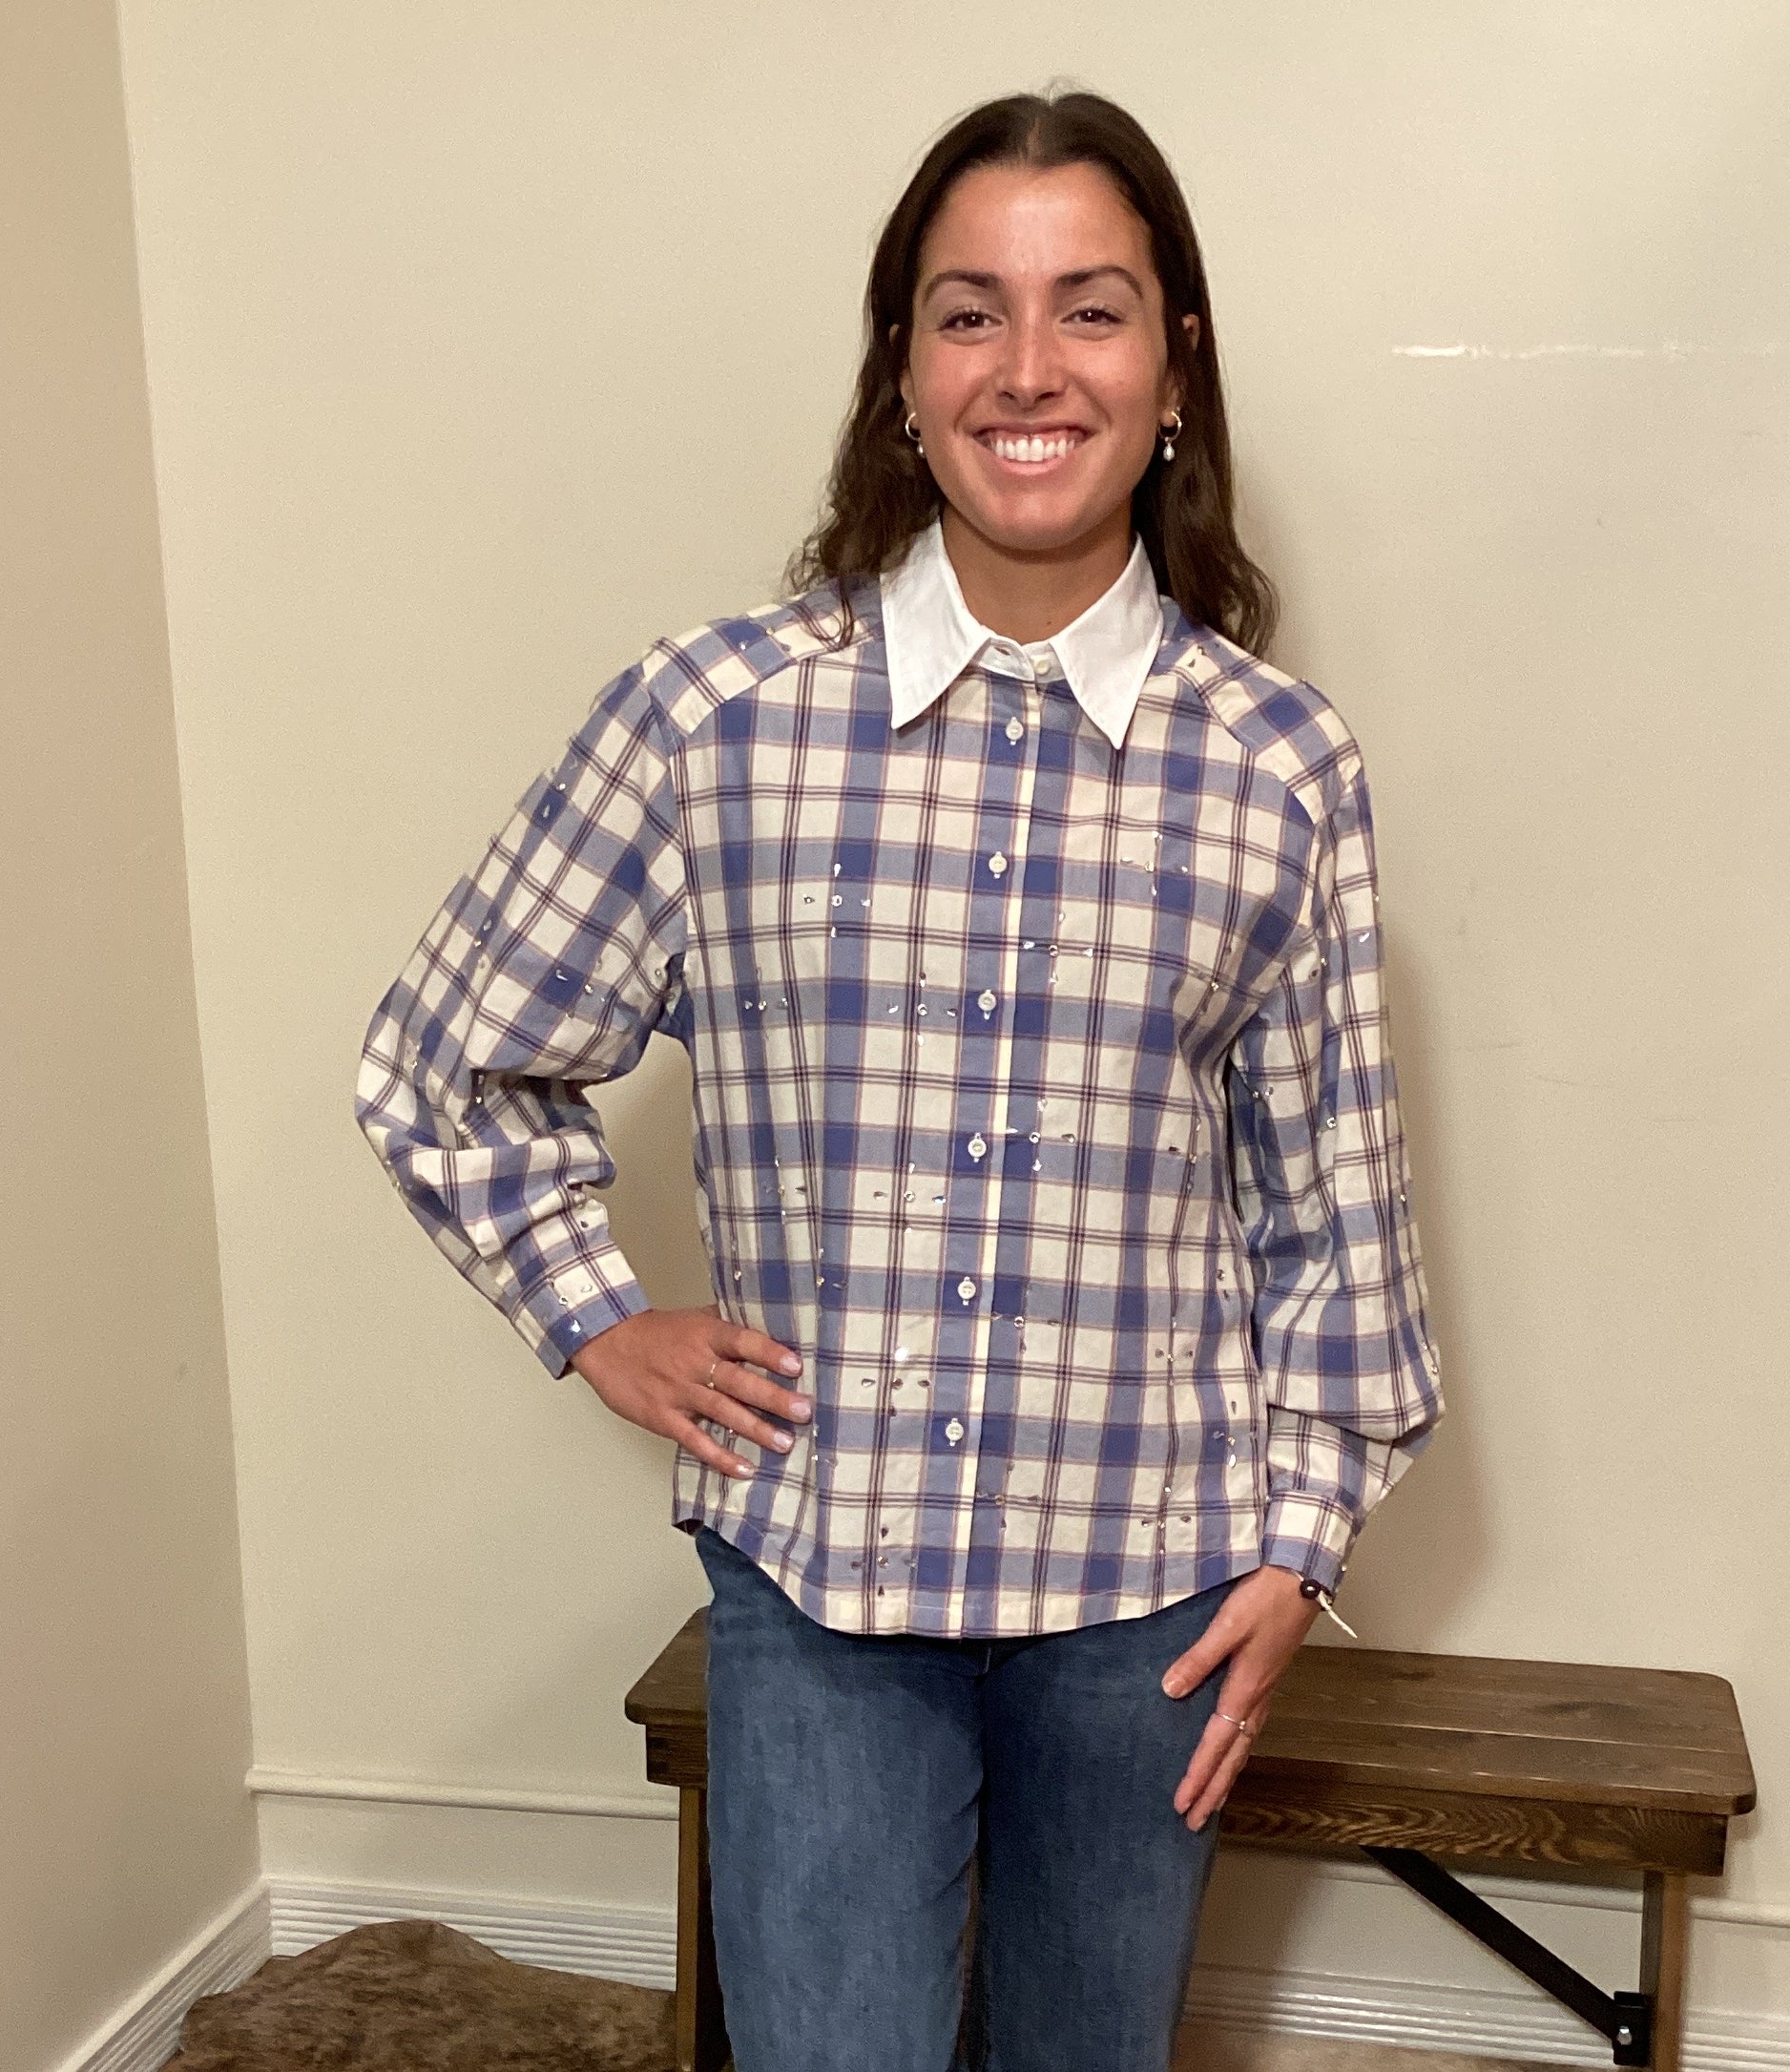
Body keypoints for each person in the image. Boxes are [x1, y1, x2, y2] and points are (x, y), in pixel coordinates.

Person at [357, 86, 1443, 2072]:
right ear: (902, 374)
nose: (1031, 369)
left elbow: (1333, 1220)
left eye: (1091, 309)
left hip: (1153, 1599)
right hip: (823, 1579)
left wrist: (1298, 1547)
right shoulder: (714, 718)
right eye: (970, 312)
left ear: (1175, 366)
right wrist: (597, 1316)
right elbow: (443, 1057)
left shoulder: (1279, 766)